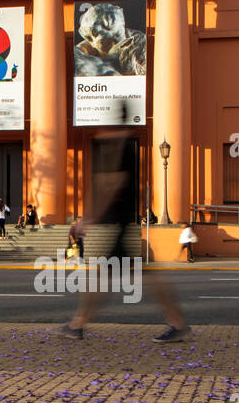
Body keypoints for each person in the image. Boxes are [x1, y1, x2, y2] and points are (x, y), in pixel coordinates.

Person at [61, 100, 189, 343]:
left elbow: (111, 183)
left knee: (105, 275)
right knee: (136, 273)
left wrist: (90, 218)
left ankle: (78, 323)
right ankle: (79, 322)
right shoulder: (129, 142)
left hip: (119, 222)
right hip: (124, 221)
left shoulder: (116, 145)